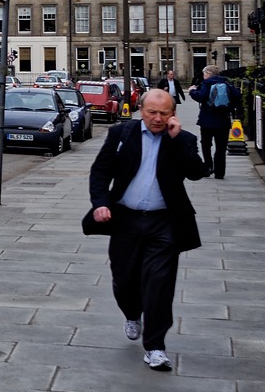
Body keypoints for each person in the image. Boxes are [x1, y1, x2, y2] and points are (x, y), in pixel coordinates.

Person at [89, 88, 208, 371]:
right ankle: (132, 313)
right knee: (123, 279)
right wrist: (100, 203)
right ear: (141, 110)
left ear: (173, 114)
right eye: (152, 112)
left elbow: (197, 172)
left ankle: (155, 347)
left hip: (164, 222)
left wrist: (177, 139)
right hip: (125, 219)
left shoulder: (183, 139)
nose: (157, 118)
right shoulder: (122, 134)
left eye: (163, 113)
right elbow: (101, 170)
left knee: (159, 284)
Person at [189, 64, 242, 179]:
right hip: (223, 120)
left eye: (204, 74)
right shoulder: (226, 83)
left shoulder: (206, 84)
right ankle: (220, 172)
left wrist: (192, 91)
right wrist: (228, 107)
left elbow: (201, 97)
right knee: (221, 147)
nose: (203, 76)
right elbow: (237, 96)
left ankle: (208, 167)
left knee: (206, 144)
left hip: (207, 120)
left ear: (208, 74)